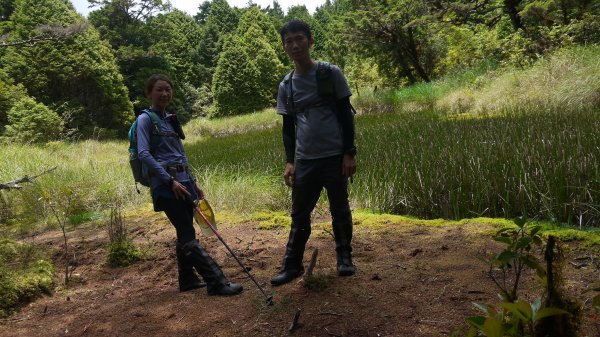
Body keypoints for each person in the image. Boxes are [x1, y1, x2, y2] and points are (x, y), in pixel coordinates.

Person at [137, 74, 243, 296]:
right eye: (159, 90)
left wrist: (194, 182)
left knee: (186, 230)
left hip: (184, 183)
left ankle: (187, 279)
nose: (164, 94)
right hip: (166, 186)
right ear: (149, 93)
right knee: (186, 232)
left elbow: (180, 155)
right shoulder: (145, 120)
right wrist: (169, 180)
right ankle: (216, 281)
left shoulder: (171, 119)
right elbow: (144, 153)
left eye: (168, 89)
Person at [271, 20, 357, 286]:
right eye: (289, 41)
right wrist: (289, 162)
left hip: (333, 157)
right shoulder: (287, 85)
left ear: (310, 41)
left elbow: (346, 114)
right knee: (299, 214)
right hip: (305, 160)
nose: (295, 45)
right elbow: (288, 127)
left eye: (299, 39)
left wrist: (349, 153)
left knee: (339, 210)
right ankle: (292, 265)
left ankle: (344, 259)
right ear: (284, 46)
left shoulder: (330, 74)